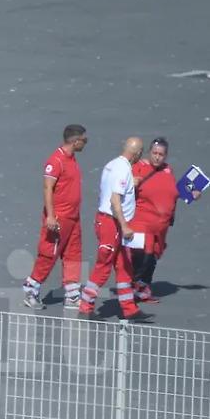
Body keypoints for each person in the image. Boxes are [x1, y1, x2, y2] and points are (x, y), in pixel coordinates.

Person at [79, 137, 150, 322]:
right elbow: (114, 200)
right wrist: (125, 226)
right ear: (138, 153)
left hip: (109, 222)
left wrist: (130, 183)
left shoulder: (113, 165)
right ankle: (85, 307)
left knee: (124, 266)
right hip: (113, 224)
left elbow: (113, 187)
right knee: (103, 265)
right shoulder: (123, 170)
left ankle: (129, 309)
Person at [22, 124, 88, 311]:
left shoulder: (71, 159)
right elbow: (47, 188)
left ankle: (72, 294)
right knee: (48, 254)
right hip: (59, 218)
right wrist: (50, 216)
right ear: (76, 141)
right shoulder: (56, 161)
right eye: (84, 140)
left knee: (73, 254)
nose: (85, 143)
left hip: (73, 217)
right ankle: (30, 289)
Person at [130, 137, 184, 304]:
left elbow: (173, 192)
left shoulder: (168, 170)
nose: (157, 157)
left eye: (161, 154)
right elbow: (123, 188)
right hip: (141, 222)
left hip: (161, 226)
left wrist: (192, 195)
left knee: (152, 257)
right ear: (149, 153)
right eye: (154, 153)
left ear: (165, 155)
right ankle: (129, 288)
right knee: (142, 256)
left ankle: (143, 289)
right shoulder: (138, 167)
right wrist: (132, 183)